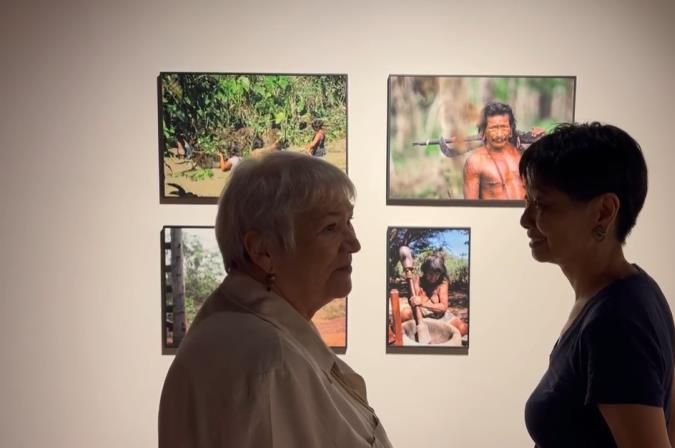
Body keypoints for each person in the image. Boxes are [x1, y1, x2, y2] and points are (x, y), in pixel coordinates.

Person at [159, 151, 393, 448]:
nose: (354, 244)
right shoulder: (266, 360)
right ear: (262, 249)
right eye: (331, 228)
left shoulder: (253, 335)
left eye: (349, 222)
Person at [519, 122, 675, 447]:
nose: (525, 219)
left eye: (542, 204)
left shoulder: (614, 322)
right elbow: (674, 408)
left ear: (603, 212)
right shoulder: (636, 290)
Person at [460, 102, 544, 200]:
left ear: (511, 129)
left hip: (524, 214)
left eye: (504, 127)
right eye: (493, 128)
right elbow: (470, 208)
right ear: (483, 131)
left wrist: (543, 141)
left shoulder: (522, 153)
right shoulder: (475, 162)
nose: (500, 134)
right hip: (494, 215)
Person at [398, 250, 468, 336]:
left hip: (440, 316)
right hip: (421, 315)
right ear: (425, 271)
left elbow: (443, 307)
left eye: (437, 274)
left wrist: (422, 303)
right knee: (404, 313)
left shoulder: (443, 282)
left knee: (462, 328)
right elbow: (413, 301)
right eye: (430, 273)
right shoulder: (418, 280)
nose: (434, 277)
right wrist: (413, 299)